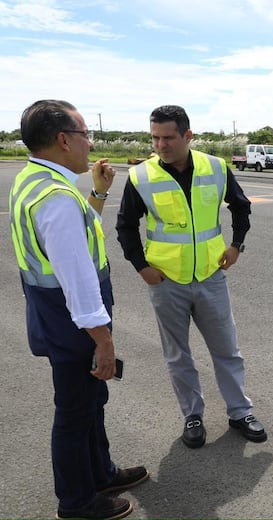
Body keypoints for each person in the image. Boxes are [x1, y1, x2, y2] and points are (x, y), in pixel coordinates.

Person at [9, 100, 148, 520]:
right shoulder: (55, 198)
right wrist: (103, 340)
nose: (90, 143)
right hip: (73, 325)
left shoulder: (35, 180)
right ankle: (76, 501)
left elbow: (77, 230)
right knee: (74, 412)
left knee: (91, 402)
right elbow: (76, 276)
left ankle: (101, 474)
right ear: (63, 139)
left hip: (54, 317)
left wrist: (99, 192)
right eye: (86, 134)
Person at [116, 105, 266, 449]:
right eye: (155, 138)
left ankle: (240, 411)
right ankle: (192, 415)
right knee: (177, 355)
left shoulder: (216, 167)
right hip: (166, 281)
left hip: (211, 275)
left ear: (188, 135)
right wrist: (142, 267)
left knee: (227, 349)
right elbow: (125, 226)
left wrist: (237, 245)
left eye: (168, 137)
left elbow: (241, 205)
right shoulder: (141, 176)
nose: (160, 145)